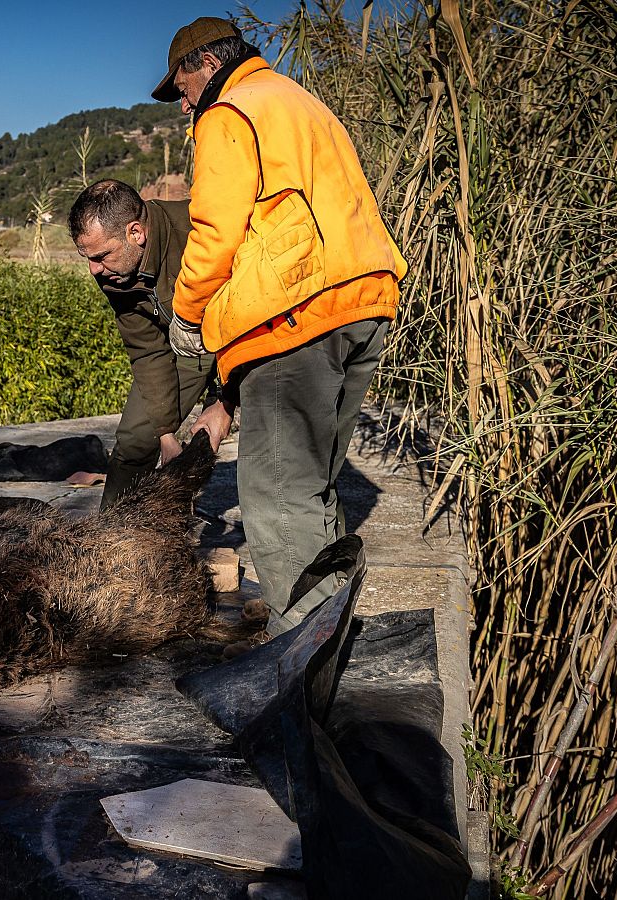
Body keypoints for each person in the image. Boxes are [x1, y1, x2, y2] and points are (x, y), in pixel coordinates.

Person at [151, 17, 407, 633]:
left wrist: (188, 313)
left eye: (181, 87)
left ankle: (300, 656)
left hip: (298, 314)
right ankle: (332, 627)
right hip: (364, 301)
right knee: (312, 487)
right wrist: (227, 394)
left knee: (277, 497)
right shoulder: (301, 102)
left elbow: (216, 232)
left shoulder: (229, 113)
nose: (183, 104)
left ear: (207, 65)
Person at [69, 179, 218, 508]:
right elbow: (147, 350)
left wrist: (222, 400)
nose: (94, 270)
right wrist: (165, 433)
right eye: (87, 257)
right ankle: (112, 532)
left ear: (135, 232)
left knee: (271, 454)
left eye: (101, 256)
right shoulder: (114, 271)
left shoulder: (201, 232)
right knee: (135, 440)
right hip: (188, 347)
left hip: (255, 340)